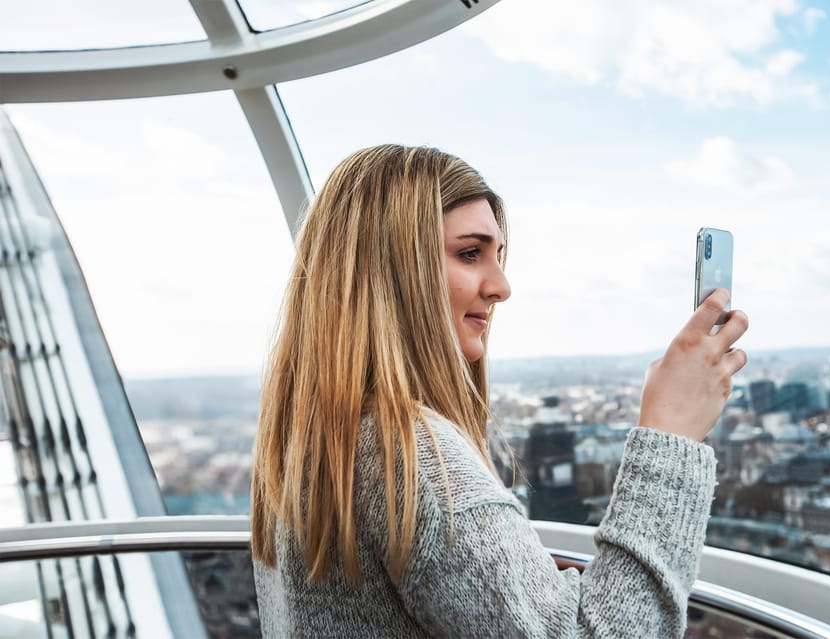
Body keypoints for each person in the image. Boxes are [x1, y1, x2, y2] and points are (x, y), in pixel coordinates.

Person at [251, 144, 749, 638]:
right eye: (470, 253)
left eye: (497, 255)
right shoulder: (412, 459)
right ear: (392, 271)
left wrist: (520, 579)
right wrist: (671, 434)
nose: (501, 286)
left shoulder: (315, 440)